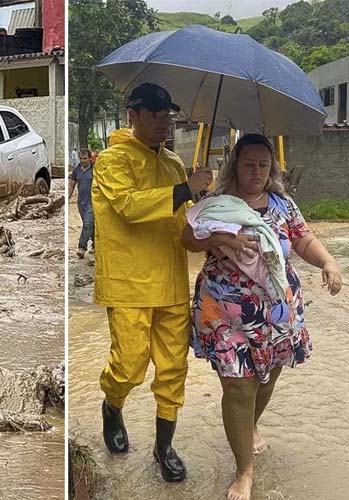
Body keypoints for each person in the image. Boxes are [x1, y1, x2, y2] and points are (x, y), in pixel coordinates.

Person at [182, 133, 342, 500]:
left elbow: (303, 240)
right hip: (224, 310)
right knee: (238, 386)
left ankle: (248, 425)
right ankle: (244, 470)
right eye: (248, 164)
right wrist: (221, 239)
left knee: (267, 377)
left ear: (272, 170)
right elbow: (187, 240)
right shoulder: (216, 203)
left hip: (276, 311)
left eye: (263, 165)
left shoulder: (282, 205)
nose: (256, 171)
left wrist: (329, 262)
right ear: (234, 165)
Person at [92, 82, 213, 482]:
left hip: (172, 284)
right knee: (128, 366)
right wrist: (184, 189)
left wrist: (212, 226)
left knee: (173, 368)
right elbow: (129, 207)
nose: (165, 124)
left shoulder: (177, 164)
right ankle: (112, 404)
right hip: (127, 282)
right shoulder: (112, 161)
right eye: (156, 116)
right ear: (134, 115)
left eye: (169, 116)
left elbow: (184, 227)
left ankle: (164, 447)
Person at [68, 149, 94, 258]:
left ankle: (82, 247)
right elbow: (72, 185)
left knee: (87, 224)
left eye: (85, 158)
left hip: (92, 202)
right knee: (89, 225)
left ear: (90, 158)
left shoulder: (95, 169)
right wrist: (67, 198)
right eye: (81, 159)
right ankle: (96, 244)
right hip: (81, 202)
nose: (83, 161)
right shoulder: (76, 170)